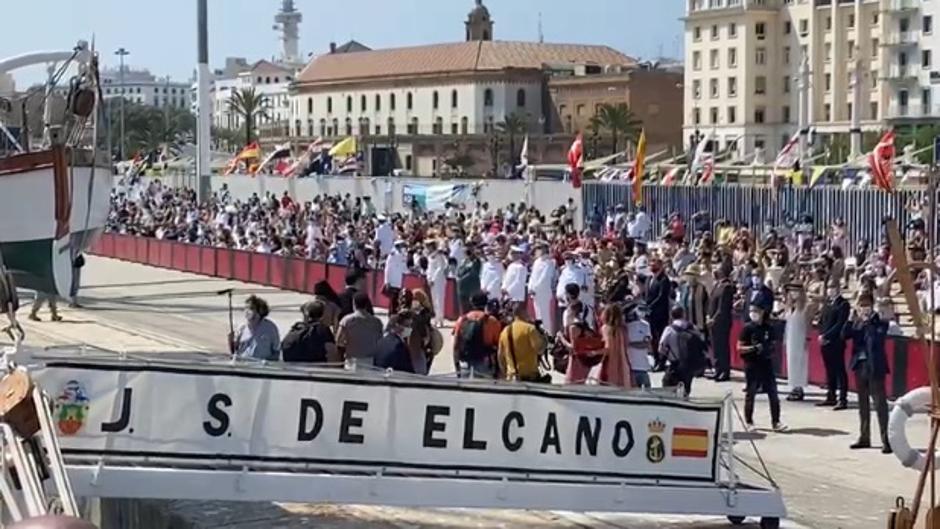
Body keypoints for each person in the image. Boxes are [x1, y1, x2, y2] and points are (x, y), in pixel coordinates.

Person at [847, 295, 893, 453]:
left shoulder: (879, 321)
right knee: (863, 404)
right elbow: (844, 335)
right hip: (860, 365)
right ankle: (864, 436)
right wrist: (851, 320)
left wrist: (868, 324)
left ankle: (886, 439)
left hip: (875, 366)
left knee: (880, 404)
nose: (864, 309)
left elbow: (876, 340)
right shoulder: (857, 321)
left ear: (872, 306)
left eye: (867, 305)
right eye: (861, 305)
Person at [738, 303, 786, 431]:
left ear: (762, 312)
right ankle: (749, 421)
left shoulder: (768, 328)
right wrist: (753, 348)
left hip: (766, 363)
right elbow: (740, 348)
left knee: (773, 393)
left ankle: (776, 421)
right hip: (752, 363)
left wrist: (769, 349)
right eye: (751, 310)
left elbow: (774, 344)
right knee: (751, 392)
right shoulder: (747, 328)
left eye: (756, 310)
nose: (753, 313)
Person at [658, 306, 705, 397]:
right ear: (684, 314)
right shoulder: (692, 328)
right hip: (688, 365)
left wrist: (667, 355)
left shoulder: (669, 329)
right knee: (685, 391)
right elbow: (701, 342)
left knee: (668, 389)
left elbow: (661, 348)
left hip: (674, 365)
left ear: (671, 316)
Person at [818, 282, 851, 410]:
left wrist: (827, 336)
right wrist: (822, 335)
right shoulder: (827, 303)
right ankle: (831, 395)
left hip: (836, 341)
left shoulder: (843, 304)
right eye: (829, 288)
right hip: (825, 342)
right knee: (829, 370)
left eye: (833, 288)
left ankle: (843, 399)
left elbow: (840, 324)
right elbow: (822, 321)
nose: (830, 290)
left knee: (839, 370)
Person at [453, 292, 502, 378]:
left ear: (471, 303)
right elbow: (499, 348)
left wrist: (457, 368)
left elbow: (455, 346)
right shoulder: (492, 321)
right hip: (484, 362)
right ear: (486, 304)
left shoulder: (462, 320)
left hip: (465, 362)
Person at [497, 303, 546, 382]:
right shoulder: (530, 329)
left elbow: (500, 357)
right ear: (523, 312)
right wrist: (544, 340)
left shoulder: (505, 331)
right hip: (529, 377)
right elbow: (539, 350)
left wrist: (506, 373)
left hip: (511, 378)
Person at [336, 293, 384, 367]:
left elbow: (338, 340)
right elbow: (380, 340)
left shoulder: (346, 320)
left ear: (354, 304)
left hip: (352, 361)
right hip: (370, 361)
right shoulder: (377, 322)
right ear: (366, 305)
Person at [230, 295, 280, 361]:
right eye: (245, 308)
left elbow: (276, 352)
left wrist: (267, 362)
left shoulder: (271, 328)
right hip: (244, 367)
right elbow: (235, 351)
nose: (247, 311)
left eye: (250, 308)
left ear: (260, 310)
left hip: (263, 368)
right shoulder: (241, 328)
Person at [784, 283, 811, 401]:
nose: (794, 294)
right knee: (791, 362)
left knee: (800, 362)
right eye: (791, 292)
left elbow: (808, 324)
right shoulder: (789, 307)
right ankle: (793, 386)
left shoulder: (805, 306)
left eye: (796, 291)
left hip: (800, 337)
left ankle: (799, 387)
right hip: (791, 337)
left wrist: (807, 337)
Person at [708, 267, 735, 382]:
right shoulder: (716, 285)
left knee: (722, 347)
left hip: (722, 321)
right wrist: (708, 316)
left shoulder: (727, 287)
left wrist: (714, 319)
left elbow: (722, 307)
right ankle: (718, 369)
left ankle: (724, 371)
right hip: (713, 322)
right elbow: (712, 303)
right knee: (716, 347)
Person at [646, 257, 673, 371]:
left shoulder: (664, 280)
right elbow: (646, 295)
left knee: (661, 338)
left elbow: (661, 297)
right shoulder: (649, 279)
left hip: (660, 314)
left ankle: (662, 361)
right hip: (650, 314)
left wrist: (650, 306)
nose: (652, 266)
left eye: (654, 264)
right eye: (651, 264)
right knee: (653, 339)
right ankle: (656, 359)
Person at [598, 304, 632, 388]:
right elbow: (627, 345)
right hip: (623, 363)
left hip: (609, 363)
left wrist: (594, 352)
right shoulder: (624, 329)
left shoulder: (605, 328)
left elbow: (607, 348)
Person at [528, 242, 557, 334]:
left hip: (544, 291)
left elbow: (545, 277)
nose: (539, 250)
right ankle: (540, 334)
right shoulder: (537, 262)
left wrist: (535, 288)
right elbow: (533, 276)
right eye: (538, 248)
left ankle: (548, 335)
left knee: (546, 315)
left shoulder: (550, 262)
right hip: (535, 292)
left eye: (541, 248)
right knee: (538, 314)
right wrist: (531, 287)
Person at [625, 302, 652, 389]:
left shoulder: (645, 325)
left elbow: (646, 344)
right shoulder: (624, 327)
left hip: (643, 366)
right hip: (629, 367)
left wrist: (630, 344)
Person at [407, 289, 435, 375]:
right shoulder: (416, 312)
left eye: (415, 298)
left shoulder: (424, 313)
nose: (414, 300)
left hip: (423, 345)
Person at [679, 264, 709, 335]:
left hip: (699, 323)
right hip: (685, 323)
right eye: (688, 274)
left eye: (692, 274)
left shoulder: (702, 288)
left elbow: (706, 305)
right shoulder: (684, 288)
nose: (690, 277)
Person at [425, 241, 448, 328]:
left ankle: (440, 320)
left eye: (429, 246)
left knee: (439, 300)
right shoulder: (430, 256)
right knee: (434, 301)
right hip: (432, 281)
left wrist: (433, 279)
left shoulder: (439, 255)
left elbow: (440, 268)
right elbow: (429, 269)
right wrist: (429, 278)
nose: (428, 248)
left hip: (439, 280)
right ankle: (436, 318)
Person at [383, 239, 407, 314]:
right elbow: (387, 268)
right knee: (393, 300)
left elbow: (403, 267)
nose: (403, 247)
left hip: (399, 281)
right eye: (402, 245)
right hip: (392, 280)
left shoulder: (402, 255)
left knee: (397, 299)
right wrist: (387, 281)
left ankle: (394, 315)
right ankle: (391, 315)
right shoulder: (392, 255)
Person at [456, 246, 482, 314]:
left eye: (468, 252)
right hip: (462, 287)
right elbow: (459, 271)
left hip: (471, 287)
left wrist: (462, 279)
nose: (466, 254)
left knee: (471, 307)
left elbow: (473, 273)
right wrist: (458, 277)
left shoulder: (476, 261)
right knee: (463, 307)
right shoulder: (463, 261)